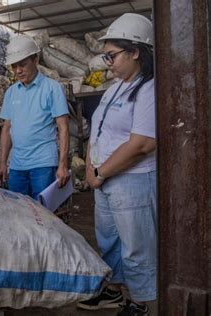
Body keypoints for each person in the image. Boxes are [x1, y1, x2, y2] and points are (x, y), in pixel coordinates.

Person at [76, 13, 156, 316]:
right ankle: (115, 291)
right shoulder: (114, 88)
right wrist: (90, 167)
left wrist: (99, 172)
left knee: (136, 248)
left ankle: (140, 303)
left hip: (131, 180)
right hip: (103, 180)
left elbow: (142, 144)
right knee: (110, 241)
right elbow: (98, 133)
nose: (108, 62)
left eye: (112, 56)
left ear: (135, 52)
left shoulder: (148, 88)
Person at [0, 34, 69, 200]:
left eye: (22, 64)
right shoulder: (11, 92)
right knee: (18, 212)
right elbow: (7, 129)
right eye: (14, 66)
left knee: (43, 214)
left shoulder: (52, 88)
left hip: (43, 164)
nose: (18, 70)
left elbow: (63, 127)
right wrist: (2, 163)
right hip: (16, 166)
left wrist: (62, 165)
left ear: (35, 60)